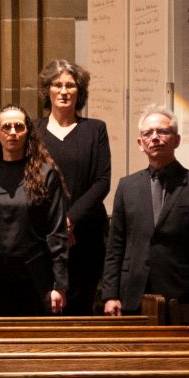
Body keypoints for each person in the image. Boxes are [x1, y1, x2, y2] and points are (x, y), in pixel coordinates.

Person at [102, 105, 189, 315]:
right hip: (132, 295)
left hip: (181, 296)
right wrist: (111, 294)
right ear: (141, 144)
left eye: (162, 132)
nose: (154, 137)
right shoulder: (127, 186)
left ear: (176, 140)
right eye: (148, 133)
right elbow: (115, 245)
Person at [0, 105, 69, 317]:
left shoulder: (45, 175)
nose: (13, 132)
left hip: (35, 281)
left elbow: (57, 234)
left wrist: (59, 285)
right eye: (6, 127)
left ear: (27, 132)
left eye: (19, 127)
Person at [36, 60, 111, 315]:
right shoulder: (34, 131)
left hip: (86, 235)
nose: (64, 91)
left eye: (70, 85)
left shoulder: (95, 130)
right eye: (57, 85)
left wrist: (71, 220)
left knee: (80, 309)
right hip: (42, 237)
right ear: (47, 90)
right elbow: (29, 180)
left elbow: (102, 181)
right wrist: (56, 225)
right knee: (44, 310)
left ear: (79, 92)